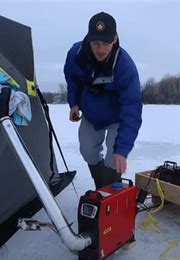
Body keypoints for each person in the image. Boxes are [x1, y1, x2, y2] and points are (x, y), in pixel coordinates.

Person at [64, 12, 143, 189]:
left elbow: (132, 109)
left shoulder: (125, 67)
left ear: (114, 39)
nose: (100, 49)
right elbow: (72, 79)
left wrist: (122, 151)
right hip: (91, 115)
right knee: (88, 151)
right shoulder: (75, 54)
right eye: (95, 43)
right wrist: (74, 103)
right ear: (88, 39)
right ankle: (101, 185)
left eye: (106, 43)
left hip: (117, 118)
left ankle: (109, 190)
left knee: (113, 157)